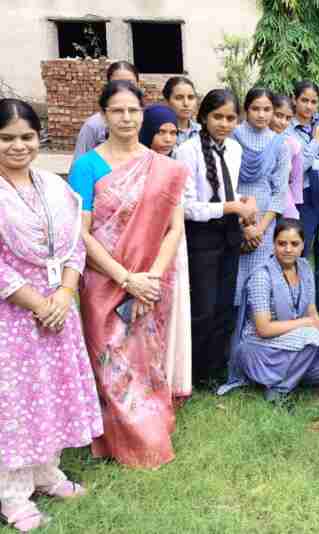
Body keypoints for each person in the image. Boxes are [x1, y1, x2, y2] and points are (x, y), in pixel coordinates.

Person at [68, 81, 189, 468]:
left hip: (151, 284)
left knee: (145, 360)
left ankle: (149, 424)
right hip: (104, 283)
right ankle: (119, 438)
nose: (126, 118)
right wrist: (125, 278)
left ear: (142, 114)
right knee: (112, 363)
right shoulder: (87, 166)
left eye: (133, 110)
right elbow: (80, 232)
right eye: (117, 110)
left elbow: (174, 229)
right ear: (104, 115)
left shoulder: (163, 167)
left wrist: (149, 278)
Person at [0, 99, 103, 532]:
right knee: (18, 400)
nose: (18, 146)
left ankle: (46, 474)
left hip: (59, 308)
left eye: (26, 137)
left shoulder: (52, 185)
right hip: (14, 315)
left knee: (52, 393)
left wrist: (64, 291)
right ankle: (11, 493)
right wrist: (38, 303)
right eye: (6, 139)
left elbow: (75, 243)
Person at [176, 89, 257, 385]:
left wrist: (244, 202)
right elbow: (186, 206)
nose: (224, 123)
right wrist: (229, 206)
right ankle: (195, 372)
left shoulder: (234, 149)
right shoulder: (188, 151)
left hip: (228, 232)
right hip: (202, 236)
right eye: (217, 117)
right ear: (204, 117)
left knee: (225, 303)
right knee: (204, 306)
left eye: (231, 118)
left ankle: (217, 366)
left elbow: (228, 189)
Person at [218, 218, 319, 403]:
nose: (288, 249)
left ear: (302, 246)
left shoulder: (305, 269)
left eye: (294, 244)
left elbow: (312, 313)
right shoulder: (262, 275)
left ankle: (278, 378)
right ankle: (280, 390)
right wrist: (306, 325)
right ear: (273, 244)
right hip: (259, 350)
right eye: (282, 243)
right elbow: (263, 329)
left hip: (291, 345)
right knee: (310, 339)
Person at [139, 104, 193, 402]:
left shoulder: (175, 168)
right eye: (161, 132)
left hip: (173, 243)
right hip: (141, 245)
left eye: (173, 132)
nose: (169, 138)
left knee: (171, 311)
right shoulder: (135, 165)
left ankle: (170, 380)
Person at [232, 88, 290, 307]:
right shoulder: (232, 136)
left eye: (267, 109)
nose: (261, 114)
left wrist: (260, 229)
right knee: (233, 278)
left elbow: (280, 192)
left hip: (265, 219)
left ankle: (256, 333)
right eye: (255, 108)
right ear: (246, 109)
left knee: (258, 279)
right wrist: (244, 225)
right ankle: (230, 337)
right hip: (234, 212)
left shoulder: (279, 144)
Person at [288, 80, 319, 317]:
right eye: (304, 100)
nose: (309, 106)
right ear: (295, 99)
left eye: (314, 101)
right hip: (304, 194)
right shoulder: (288, 129)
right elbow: (298, 166)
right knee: (302, 249)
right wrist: (315, 141)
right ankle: (300, 304)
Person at [72, 61, 139, 165]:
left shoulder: (148, 120)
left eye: (130, 83)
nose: (124, 89)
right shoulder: (93, 125)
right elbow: (79, 165)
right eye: (117, 83)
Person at [269, 93, 303, 219]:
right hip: (259, 201)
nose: (283, 122)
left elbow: (296, 180)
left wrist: (295, 205)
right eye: (278, 115)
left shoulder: (293, 145)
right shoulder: (256, 141)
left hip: (285, 204)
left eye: (288, 118)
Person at [162, 76, 201, 146]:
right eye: (179, 98)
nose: (186, 103)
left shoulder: (202, 131)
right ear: (166, 102)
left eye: (191, 97)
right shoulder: (159, 133)